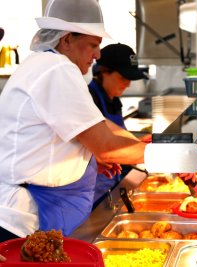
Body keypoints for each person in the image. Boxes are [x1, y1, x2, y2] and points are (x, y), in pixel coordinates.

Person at [0, 0, 148, 243]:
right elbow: (107, 147)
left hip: (23, 215)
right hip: (19, 221)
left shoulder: (43, 65)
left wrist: (83, 161)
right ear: (67, 39)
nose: (98, 54)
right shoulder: (57, 69)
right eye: (93, 44)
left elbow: (85, 127)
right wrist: (174, 156)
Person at [88, 43, 147, 208]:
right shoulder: (89, 101)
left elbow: (115, 136)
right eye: (123, 77)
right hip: (92, 193)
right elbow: (103, 148)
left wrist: (137, 142)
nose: (128, 84)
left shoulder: (113, 100)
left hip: (111, 186)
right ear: (103, 72)